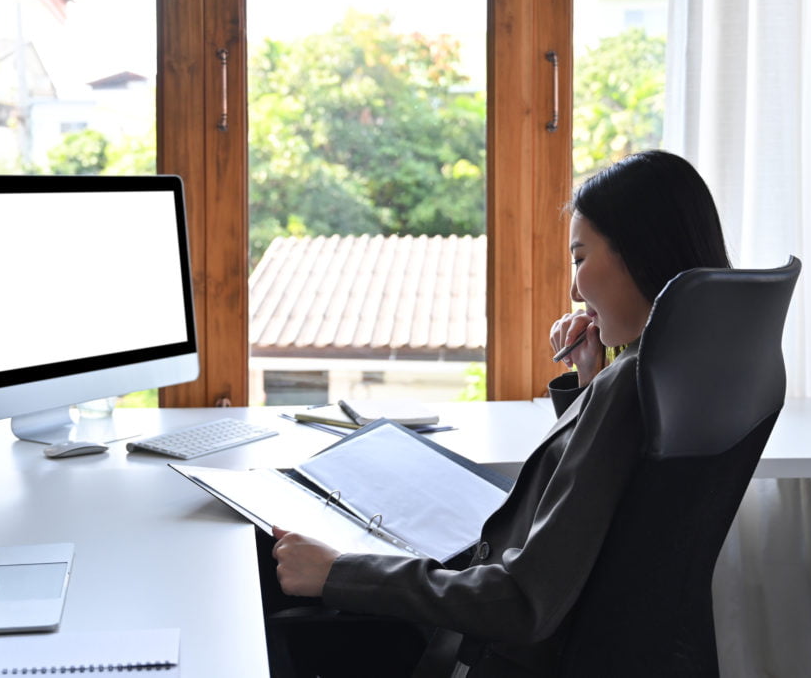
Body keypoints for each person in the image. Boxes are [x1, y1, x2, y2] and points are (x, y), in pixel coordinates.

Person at [269, 150, 732, 677]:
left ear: (642, 251)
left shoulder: (630, 382)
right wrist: (590, 378)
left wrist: (337, 574)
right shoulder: (701, 363)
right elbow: (618, 503)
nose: (575, 289)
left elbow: (522, 602)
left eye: (580, 258)